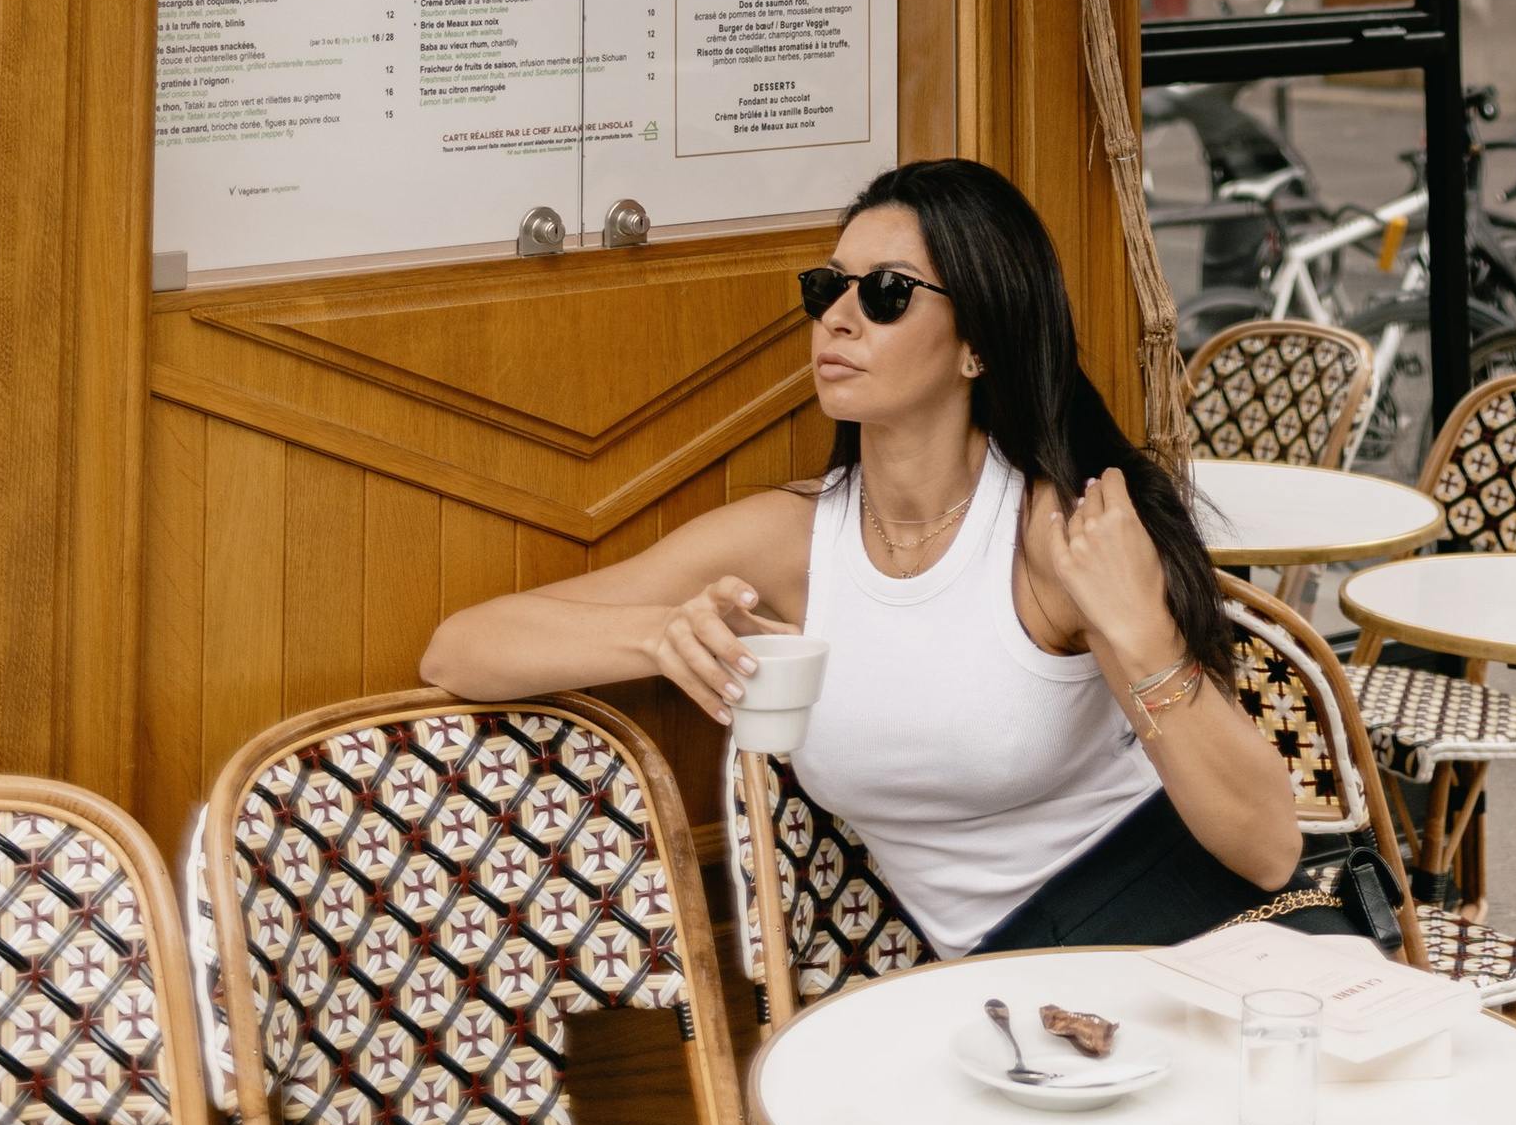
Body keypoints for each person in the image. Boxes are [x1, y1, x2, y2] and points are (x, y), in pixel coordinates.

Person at [422, 157, 1312, 959]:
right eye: (827, 288)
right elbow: (461, 649)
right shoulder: (784, 543)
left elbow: (1268, 848)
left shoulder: (1055, 534)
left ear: (977, 345)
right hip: (1027, 983)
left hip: (1195, 922)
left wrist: (1140, 627)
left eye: (885, 293)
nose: (839, 319)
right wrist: (660, 637)